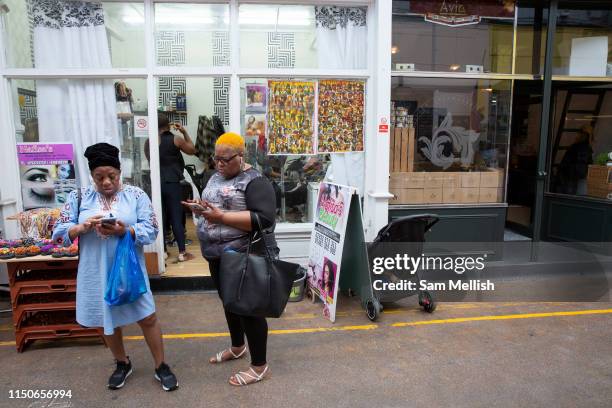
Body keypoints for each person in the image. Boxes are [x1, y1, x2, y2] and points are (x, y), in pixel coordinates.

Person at [52, 143, 179, 392]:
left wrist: (126, 230)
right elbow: (58, 234)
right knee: (106, 319)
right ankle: (122, 363)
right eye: (100, 177)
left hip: (130, 270)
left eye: (112, 176)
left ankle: (161, 365)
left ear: (120, 173)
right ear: (92, 176)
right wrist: (81, 228)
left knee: (148, 316)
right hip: (95, 271)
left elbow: (152, 229)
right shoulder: (79, 197)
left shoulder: (136, 195)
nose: (107, 182)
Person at [184, 132, 277, 386]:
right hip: (217, 255)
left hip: (244, 254)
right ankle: (238, 347)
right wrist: (201, 207)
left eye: (225, 160)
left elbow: (264, 219)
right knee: (229, 303)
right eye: (216, 159)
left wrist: (221, 218)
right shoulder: (216, 175)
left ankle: (259, 366)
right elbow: (218, 203)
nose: (220, 164)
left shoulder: (255, 181)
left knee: (248, 309)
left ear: (241, 156)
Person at [145, 114, 196, 262]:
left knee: (160, 217)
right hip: (173, 183)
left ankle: (164, 252)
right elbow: (192, 150)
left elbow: (151, 161)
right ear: (168, 125)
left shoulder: (149, 142)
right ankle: (182, 253)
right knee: (176, 216)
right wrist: (184, 132)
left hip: (156, 183)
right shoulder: (175, 139)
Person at [558, 125, 594, 195]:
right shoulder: (584, 148)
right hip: (573, 178)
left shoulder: (575, 146)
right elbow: (581, 165)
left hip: (568, 176)